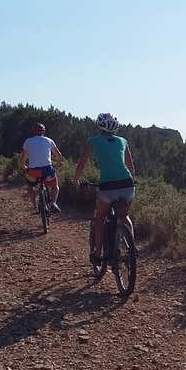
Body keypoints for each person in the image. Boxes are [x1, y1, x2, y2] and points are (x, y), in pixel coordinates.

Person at [73, 113, 136, 264]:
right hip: (127, 185)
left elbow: (82, 163)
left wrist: (76, 179)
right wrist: (133, 179)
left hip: (107, 187)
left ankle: (98, 252)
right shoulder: (123, 141)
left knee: (100, 218)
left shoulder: (93, 141)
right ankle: (132, 248)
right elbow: (131, 166)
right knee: (124, 215)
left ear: (99, 127)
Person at [19, 123, 63, 213]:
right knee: (55, 186)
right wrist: (57, 164)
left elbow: (23, 158)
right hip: (47, 170)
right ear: (44, 131)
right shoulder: (49, 141)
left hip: (33, 171)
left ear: (33, 132)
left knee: (30, 187)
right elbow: (59, 155)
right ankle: (53, 203)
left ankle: (35, 206)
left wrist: (23, 167)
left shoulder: (28, 141)